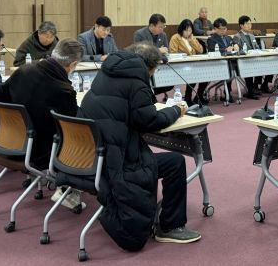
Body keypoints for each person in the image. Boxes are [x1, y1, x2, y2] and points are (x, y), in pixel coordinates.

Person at [78, 43, 201, 247]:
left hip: (93, 154)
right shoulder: (136, 83)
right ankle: (170, 227)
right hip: (117, 160)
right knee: (175, 162)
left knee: (150, 153)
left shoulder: (106, 72)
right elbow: (148, 121)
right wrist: (176, 110)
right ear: (150, 67)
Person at [0, 39, 82, 181]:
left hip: (9, 140)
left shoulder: (24, 70)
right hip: (40, 151)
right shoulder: (63, 90)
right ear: (73, 64)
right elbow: (72, 127)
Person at [169, 19, 208, 106]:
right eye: (186, 30)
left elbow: (201, 50)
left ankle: (199, 96)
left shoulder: (192, 38)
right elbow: (173, 53)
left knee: (206, 74)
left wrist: (192, 41)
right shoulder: (175, 38)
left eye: (190, 30)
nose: (188, 33)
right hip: (181, 65)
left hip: (193, 64)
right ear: (181, 29)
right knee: (193, 74)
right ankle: (188, 97)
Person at [207, 17, 239, 103]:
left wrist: (236, 45)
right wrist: (225, 50)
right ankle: (227, 92)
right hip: (219, 64)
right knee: (229, 68)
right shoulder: (211, 39)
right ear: (215, 29)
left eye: (225, 29)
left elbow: (234, 44)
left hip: (231, 62)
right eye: (221, 29)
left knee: (234, 66)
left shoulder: (228, 38)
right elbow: (212, 51)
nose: (223, 31)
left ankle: (228, 91)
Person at [233, 15, 262, 99]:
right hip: (243, 61)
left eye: (250, 24)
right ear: (241, 25)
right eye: (247, 24)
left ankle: (255, 87)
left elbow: (257, 47)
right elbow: (238, 51)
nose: (250, 26)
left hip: (254, 59)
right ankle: (250, 91)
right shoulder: (237, 36)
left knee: (263, 65)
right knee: (249, 68)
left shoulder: (252, 36)